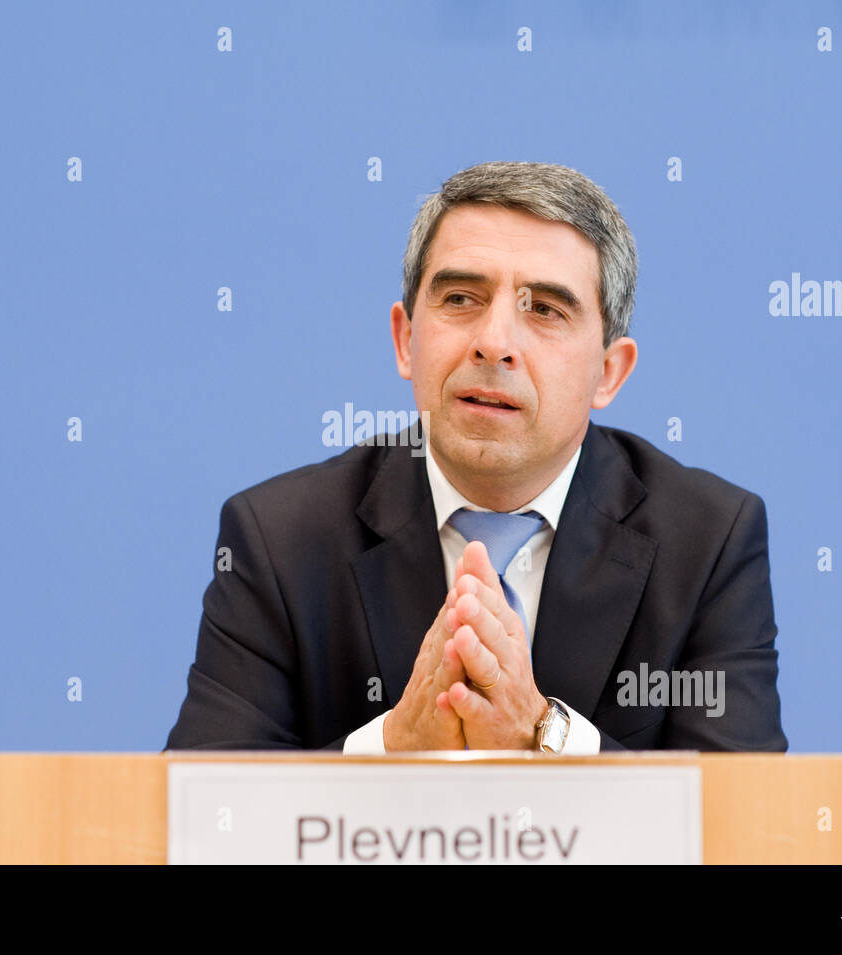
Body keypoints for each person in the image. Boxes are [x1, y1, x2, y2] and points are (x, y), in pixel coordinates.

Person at [166, 161, 787, 753]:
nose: (494, 343)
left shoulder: (708, 542)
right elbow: (202, 816)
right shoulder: (277, 537)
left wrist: (544, 735)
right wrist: (392, 747)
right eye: (461, 298)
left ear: (608, 371)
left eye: (544, 309)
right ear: (406, 339)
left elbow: (745, 827)